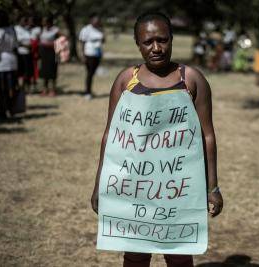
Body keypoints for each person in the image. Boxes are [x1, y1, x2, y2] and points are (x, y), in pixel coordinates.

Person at [90, 12, 223, 267]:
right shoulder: (127, 81)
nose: (156, 48)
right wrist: (100, 185)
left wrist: (212, 187)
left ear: (172, 39)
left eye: (162, 40)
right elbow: (111, 135)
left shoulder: (191, 80)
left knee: (179, 254)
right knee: (135, 254)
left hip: (178, 190)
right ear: (137, 44)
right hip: (136, 188)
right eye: (148, 42)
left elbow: (207, 135)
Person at [79, 13, 105, 100]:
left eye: (98, 20)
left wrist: (103, 34)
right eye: (95, 20)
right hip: (89, 53)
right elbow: (82, 42)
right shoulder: (86, 29)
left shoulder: (100, 29)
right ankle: (87, 92)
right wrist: (83, 55)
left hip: (98, 54)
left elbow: (103, 40)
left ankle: (89, 90)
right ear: (91, 20)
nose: (97, 21)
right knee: (90, 73)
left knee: (92, 73)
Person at [39, 15, 60, 96]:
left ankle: (53, 89)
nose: (43, 22)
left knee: (52, 71)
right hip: (44, 53)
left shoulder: (56, 30)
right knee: (45, 71)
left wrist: (51, 44)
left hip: (53, 53)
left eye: (44, 21)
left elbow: (61, 41)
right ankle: (45, 89)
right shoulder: (42, 30)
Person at [15, 15, 33, 92]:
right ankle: (20, 87)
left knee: (27, 71)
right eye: (23, 20)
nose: (25, 22)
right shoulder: (16, 29)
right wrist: (25, 45)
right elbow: (17, 42)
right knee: (20, 72)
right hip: (20, 53)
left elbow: (30, 40)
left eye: (25, 20)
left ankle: (27, 87)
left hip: (28, 53)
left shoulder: (27, 29)